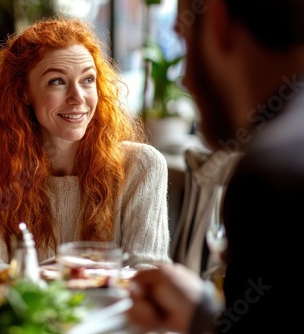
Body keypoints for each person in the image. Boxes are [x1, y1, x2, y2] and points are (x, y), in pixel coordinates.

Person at [127, 0, 304, 333]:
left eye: (183, 37)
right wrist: (202, 314)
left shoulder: (273, 175)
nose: (184, 81)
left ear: (218, 17)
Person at [0, 17, 171, 270]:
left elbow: (148, 273)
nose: (78, 98)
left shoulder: (142, 167)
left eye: (88, 80)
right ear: (23, 92)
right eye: (57, 81)